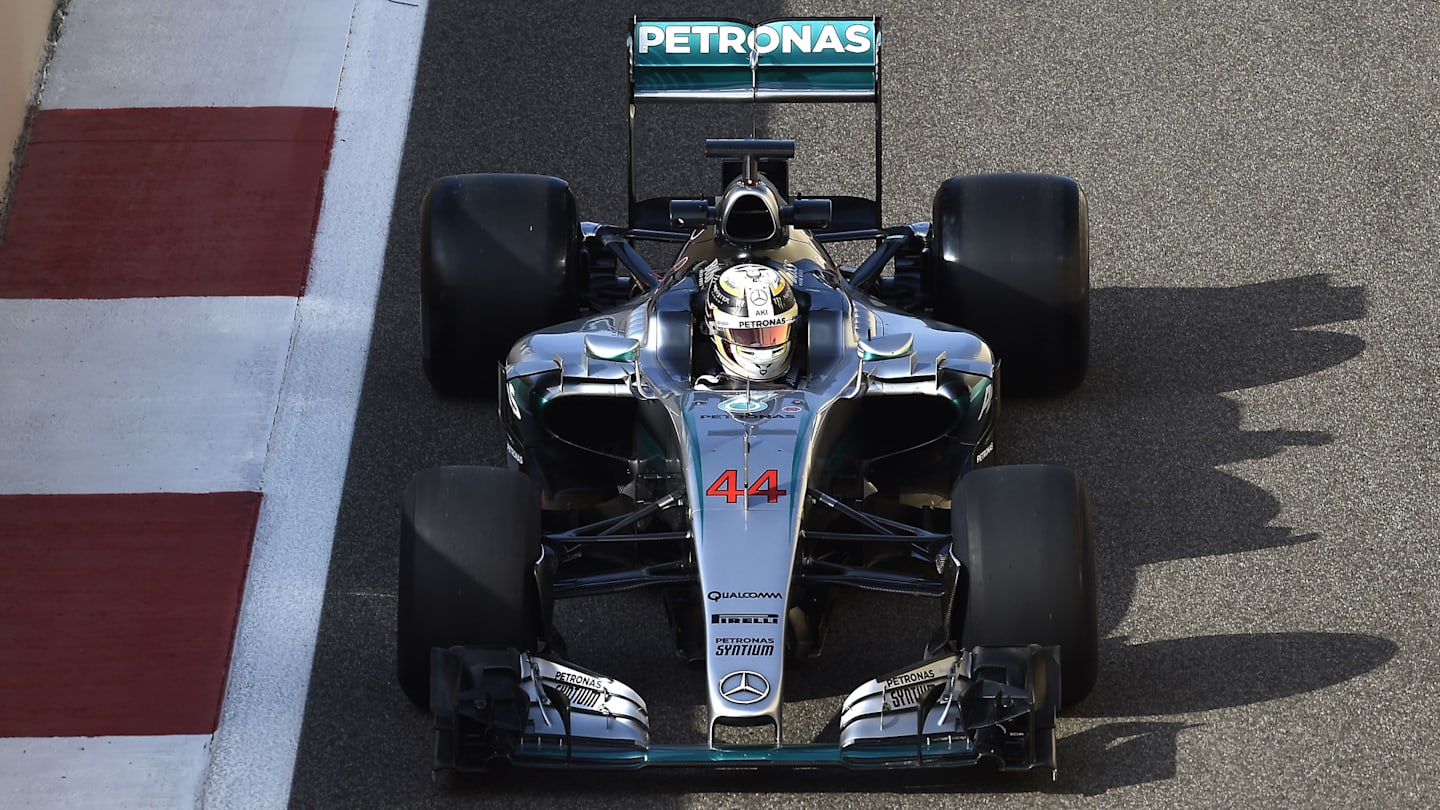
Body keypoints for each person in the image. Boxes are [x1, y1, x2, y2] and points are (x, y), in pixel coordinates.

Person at [699, 262, 801, 386]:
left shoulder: (803, 375)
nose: (762, 348)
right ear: (712, 327)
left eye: (775, 332)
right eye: (746, 335)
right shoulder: (703, 380)